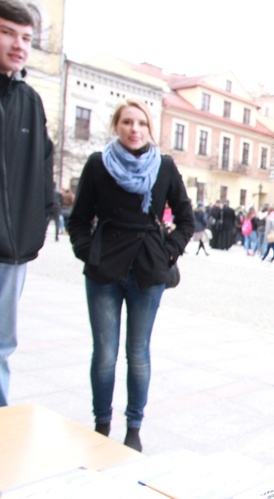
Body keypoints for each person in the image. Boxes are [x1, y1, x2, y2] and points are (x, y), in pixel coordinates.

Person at [67, 99, 194, 451]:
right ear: (116, 126)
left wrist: (169, 252)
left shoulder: (164, 166)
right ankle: (101, 423)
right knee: (105, 353)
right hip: (104, 270)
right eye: (126, 122)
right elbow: (77, 219)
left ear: (149, 129)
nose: (134, 129)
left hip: (147, 269)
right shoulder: (97, 164)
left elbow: (186, 219)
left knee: (138, 353)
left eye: (141, 123)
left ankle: (134, 427)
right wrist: (87, 250)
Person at [0, 0, 54, 408]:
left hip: (11, 250)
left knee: (2, 345)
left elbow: (42, 167)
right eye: (6, 33)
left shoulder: (30, 101)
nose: (18, 45)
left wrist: (34, 228)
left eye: (25, 38)